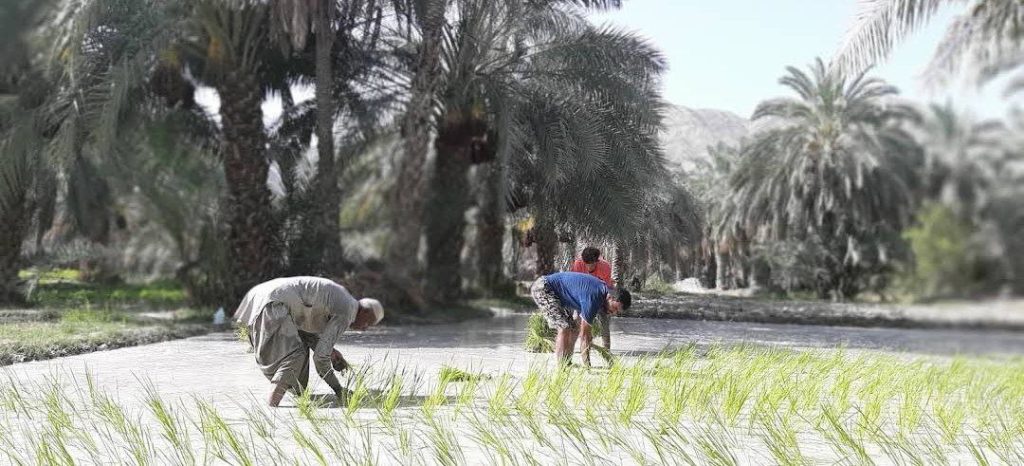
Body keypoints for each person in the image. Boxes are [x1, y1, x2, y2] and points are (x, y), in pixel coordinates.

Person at [234, 276, 384, 407]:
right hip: (273, 303)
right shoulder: (348, 311)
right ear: (365, 311)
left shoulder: (343, 300)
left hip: (259, 298)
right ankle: (272, 409)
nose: (364, 329)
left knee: (298, 354)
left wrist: (331, 352)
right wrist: (339, 390)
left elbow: (304, 331)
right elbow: (320, 358)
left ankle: (275, 405)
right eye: (368, 323)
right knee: (295, 355)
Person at [530, 271, 631, 367]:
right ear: (610, 298)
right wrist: (588, 367)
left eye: (617, 312)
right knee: (564, 327)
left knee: (574, 328)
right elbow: (584, 338)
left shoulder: (602, 293)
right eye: (615, 308)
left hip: (556, 293)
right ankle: (561, 368)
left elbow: (581, 326)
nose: (613, 313)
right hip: (543, 288)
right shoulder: (594, 298)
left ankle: (567, 362)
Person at [570, 246, 614, 349]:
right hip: (582, 296)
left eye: (592, 264)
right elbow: (575, 285)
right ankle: (569, 349)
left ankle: (606, 350)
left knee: (605, 321)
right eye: (586, 264)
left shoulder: (605, 267)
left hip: (601, 295)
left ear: (597, 261)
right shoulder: (578, 264)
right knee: (576, 320)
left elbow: (606, 289)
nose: (589, 268)